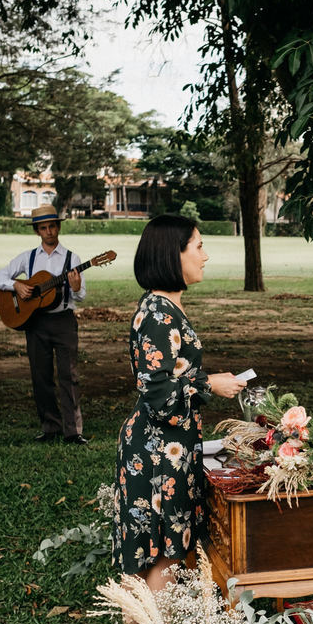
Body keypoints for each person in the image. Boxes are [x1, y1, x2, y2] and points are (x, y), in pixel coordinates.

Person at [111, 213, 246, 594]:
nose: (205, 256)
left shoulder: (167, 306)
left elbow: (171, 376)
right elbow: (156, 394)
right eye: (199, 246)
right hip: (156, 451)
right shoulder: (157, 313)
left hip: (170, 445)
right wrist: (210, 384)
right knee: (162, 552)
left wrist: (204, 381)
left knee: (162, 550)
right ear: (174, 254)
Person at [0, 204, 87, 444]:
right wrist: (16, 285)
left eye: (52, 226)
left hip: (64, 321)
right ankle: (50, 427)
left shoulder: (71, 258)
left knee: (69, 375)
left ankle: (73, 431)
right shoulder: (28, 257)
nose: (49, 232)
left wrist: (75, 287)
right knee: (40, 376)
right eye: (43, 228)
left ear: (58, 227)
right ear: (37, 231)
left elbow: (81, 295)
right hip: (36, 321)